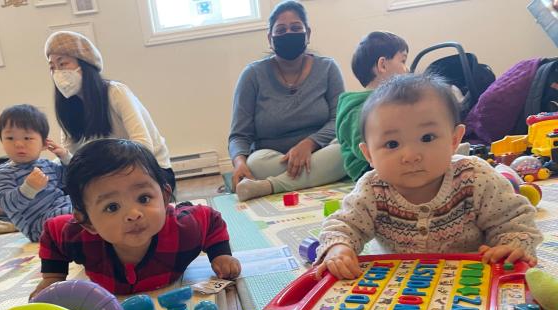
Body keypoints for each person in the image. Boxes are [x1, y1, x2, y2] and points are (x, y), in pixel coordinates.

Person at [316, 74, 542, 280]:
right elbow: (344, 225)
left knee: (506, 186)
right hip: (405, 284)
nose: (411, 155)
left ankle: (509, 176)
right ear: (369, 155)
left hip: (471, 279)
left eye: (427, 137)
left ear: (454, 140)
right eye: (392, 144)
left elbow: (513, 220)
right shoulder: (371, 189)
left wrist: (511, 244)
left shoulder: (475, 177)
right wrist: (339, 248)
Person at [30, 139, 241, 298]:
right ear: (88, 222)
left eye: (144, 198)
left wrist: (219, 254)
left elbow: (210, 218)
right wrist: (53, 276)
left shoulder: (183, 229)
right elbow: (52, 232)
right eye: (112, 207)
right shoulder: (78, 236)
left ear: (165, 196)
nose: (133, 214)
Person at [229, 0, 345, 202]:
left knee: (347, 150)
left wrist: (309, 144)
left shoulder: (327, 68)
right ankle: (312, 176)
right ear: (270, 38)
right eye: (281, 30)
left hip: (320, 151)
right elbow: (239, 135)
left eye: (295, 28)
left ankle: (269, 186)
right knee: (256, 163)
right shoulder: (252, 75)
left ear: (307, 33)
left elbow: (339, 120)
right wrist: (240, 163)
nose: (288, 34)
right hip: (274, 159)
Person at [44, 30, 176, 191]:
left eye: (63, 63)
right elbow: (71, 156)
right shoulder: (69, 108)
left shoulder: (116, 92)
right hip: (107, 177)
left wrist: (108, 176)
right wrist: (46, 168)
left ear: (85, 64)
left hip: (151, 171)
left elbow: (143, 145)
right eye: (52, 67)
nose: (57, 72)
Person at [0, 104, 73, 242]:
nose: (18, 144)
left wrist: (65, 157)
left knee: (91, 203)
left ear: (44, 144)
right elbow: (7, 205)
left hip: (64, 207)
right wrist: (29, 188)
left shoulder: (47, 165)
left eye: (27, 138)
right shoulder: (3, 173)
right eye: (10, 138)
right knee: (77, 214)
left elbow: (72, 179)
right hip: (38, 225)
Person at [336, 31, 409, 182]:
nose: (407, 69)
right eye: (403, 61)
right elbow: (362, 148)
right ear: (382, 64)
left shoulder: (391, 101)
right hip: (367, 169)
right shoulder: (356, 106)